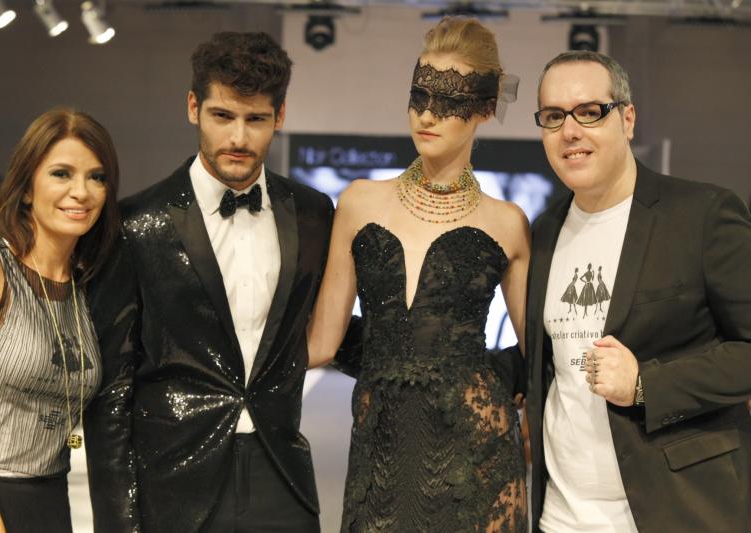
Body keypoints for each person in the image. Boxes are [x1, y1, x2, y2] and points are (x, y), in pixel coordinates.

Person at [84, 31, 333, 533]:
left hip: (281, 474)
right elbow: (112, 385)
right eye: (223, 115)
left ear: (280, 117)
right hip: (173, 479)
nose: (238, 138)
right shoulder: (137, 223)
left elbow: (322, 324)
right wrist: (119, 521)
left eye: (255, 119)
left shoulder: (312, 213)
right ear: (193, 107)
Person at [308, 17, 530, 532]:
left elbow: (538, 356)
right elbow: (321, 342)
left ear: (485, 109)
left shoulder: (508, 224)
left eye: (450, 100)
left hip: (477, 456)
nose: (428, 114)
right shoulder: (359, 202)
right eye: (420, 95)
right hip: (380, 451)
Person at [525, 50, 751, 532]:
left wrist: (646, 385)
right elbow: (548, 362)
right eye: (553, 116)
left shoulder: (703, 215)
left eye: (589, 112)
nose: (570, 131)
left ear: (627, 119)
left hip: (676, 514)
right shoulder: (544, 232)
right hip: (560, 517)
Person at [0, 108, 119, 533]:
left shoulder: (87, 287)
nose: (81, 192)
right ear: (27, 189)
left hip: (49, 501)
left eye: (97, 177)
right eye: (62, 174)